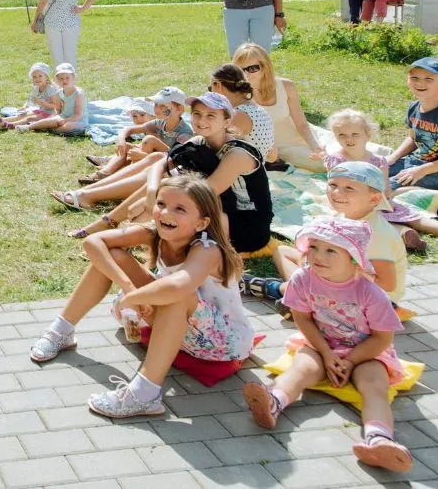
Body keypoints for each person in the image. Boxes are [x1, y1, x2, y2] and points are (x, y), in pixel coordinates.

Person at [31, 175, 253, 419]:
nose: (166, 213)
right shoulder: (153, 232)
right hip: (181, 327)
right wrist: (127, 288)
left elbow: (179, 286)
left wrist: (130, 299)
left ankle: (145, 395)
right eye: (161, 204)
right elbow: (94, 242)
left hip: (223, 343)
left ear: (201, 223)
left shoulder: (207, 250)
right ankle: (63, 330)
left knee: (175, 294)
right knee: (111, 257)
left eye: (180, 209)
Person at [243, 216, 412, 473]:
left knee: (374, 384)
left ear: (354, 257)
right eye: (313, 247)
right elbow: (302, 318)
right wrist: (325, 352)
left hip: (367, 351)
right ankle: (273, 401)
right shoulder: (302, 278)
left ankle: (379, 440)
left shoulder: (370, 293)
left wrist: (351, 360)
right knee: (301, 368)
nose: (318, 256)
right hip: (321, 342)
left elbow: (382, 338)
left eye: (330, 250)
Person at [61, 93, 273, 254]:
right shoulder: (199, 142)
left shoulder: (238, 153)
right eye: (197, 114)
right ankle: (111, 224)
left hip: (245, 226)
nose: (201, 120)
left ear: (227, 121)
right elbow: (159, 165)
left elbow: (206, 191)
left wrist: (154, 201)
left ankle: (120, 233)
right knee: (164, 187)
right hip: (219, 210)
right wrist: (152, 193)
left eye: (211, 115)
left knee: (173, 202)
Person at [312, 108, 438, 252]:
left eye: (355, 134)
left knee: (412, 217)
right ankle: (405, 234)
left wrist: (384, 198)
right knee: (372, 222)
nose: (349, 139)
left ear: (367, 135)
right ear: (336, 136)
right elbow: (334, 187)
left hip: (377, 201)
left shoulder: (378, 161)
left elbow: (385, 187)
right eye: (342, 135)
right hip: (350, 205)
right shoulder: (335, 160)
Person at [272, 162, 406, 304]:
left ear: (374, 198)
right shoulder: (342, 217)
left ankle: (283, 291)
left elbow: (388, 285)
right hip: (342, 284)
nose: (336, 192)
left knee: (315, 271)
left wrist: (340, 275)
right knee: (282, 251)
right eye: (333, 185)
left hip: (378, 301)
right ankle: (300, 293)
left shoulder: (376, 234)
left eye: (349, 188)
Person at [234, 43, 324, 171]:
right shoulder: (238, 97)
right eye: (240, 69)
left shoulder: (286, 86)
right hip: (280, 148)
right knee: (328, 162)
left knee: (353, 148)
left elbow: (302, 124)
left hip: (308, 135)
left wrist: (315, 146)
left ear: (265, 67)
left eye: (253, 68)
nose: (246, 74)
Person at [82, 88, 191, 183]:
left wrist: (144, 156)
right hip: (153, 159)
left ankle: (125, 176)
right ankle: (106, 172)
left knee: (149, 140)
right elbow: (129, 129)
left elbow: (175, 159)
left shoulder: (185, 133)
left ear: (179, 109)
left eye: (163, 106)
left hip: (169, 165)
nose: (157, 109)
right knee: (127, 146)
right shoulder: (159, 123)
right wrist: (121, 139)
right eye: (156, 104)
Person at [387, 56, 438, 192]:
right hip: (414, 162)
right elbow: (412, 138)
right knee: (370, 173)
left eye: (428, 79)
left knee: (386, 188)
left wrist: (421, 170)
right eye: (414, 78)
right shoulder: (413, 107)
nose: (420, 83)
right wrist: (393, 158)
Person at [208, 63, 274, 162]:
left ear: (218, 85)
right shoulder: (257, 109)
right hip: (256, 172)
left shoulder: (237, 115)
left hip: (241, 175)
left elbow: (212, 148)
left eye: (210, 88)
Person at [0, 61, 61, 129]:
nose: (37, 79)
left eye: (40, 76)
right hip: (41, 110)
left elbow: (57, 106)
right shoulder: (36, 88)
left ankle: (9, 125)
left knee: (29, 118)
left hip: (50, 114)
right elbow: (31, 99)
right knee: (22, 115)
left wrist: (43, 104)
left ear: (46, 77)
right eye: (34, 77)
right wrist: (25, 107)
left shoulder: (51, 89)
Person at [23, 62, 88, 135]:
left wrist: (65, 120)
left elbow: (77, 115)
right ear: (57, 79)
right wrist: (54, 117)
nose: (64, 80)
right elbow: (59, 110)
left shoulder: (78, 93)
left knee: (67, 126)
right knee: (51, 120)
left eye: (67, 78)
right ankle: (28, 127)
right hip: (63, 117)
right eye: (61, 78)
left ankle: (47, 127)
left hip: (78, 120)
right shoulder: (59, 92)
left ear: (73, 77)